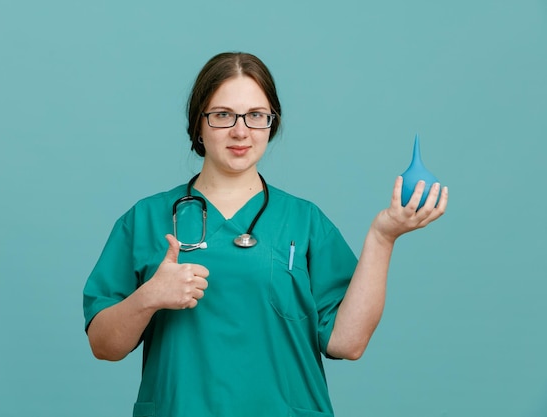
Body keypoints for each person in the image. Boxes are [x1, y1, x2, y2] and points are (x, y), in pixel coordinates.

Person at [83, 52, 448, 417]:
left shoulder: (304, 221)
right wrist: (148, 297)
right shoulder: (146, 219)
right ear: (199, 124)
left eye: (256, 116)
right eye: (223, 115)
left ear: (271, 124)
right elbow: (104, 345)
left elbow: (346, 343)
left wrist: (382, 238)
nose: (241, 131)